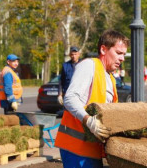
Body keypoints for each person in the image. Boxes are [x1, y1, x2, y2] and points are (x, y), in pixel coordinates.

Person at [55, 30, 129, 168]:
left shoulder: (110, 77)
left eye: (124, 54)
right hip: (76, 148)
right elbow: (70, 98)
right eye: (119, 53)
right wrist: (89, 120)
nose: (122, 58)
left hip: (90, 149)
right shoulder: (89, 65)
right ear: (103, 49)